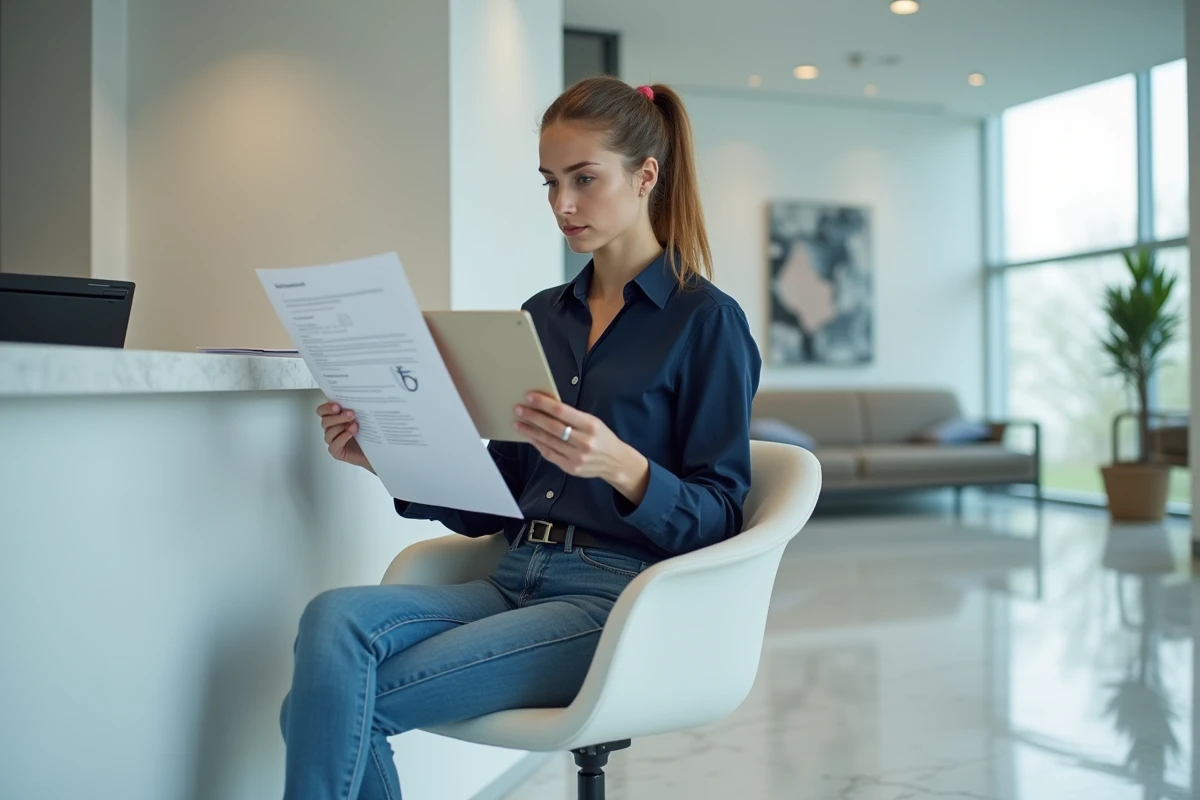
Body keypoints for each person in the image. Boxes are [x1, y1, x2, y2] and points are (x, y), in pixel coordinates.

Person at [278, 76, 762, 799]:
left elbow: (722, 515)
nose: (563, 205)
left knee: (337, 704)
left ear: (646, 176)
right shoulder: (540, 316)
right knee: (334, 620)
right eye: (550, 182)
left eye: (584, 179)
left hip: (614, 602)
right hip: (511, 576)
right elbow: (497, 500)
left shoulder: (706, 322)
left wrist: (624, 467)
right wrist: (386, 461)